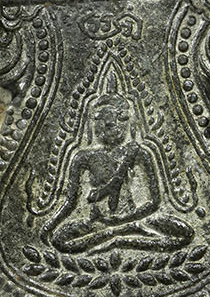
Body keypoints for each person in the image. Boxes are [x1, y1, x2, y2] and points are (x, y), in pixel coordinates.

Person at [39, 80, 194, 254]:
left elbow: (154, 202)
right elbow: (70, 202)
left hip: (133, 219)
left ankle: (118, 238)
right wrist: (50, 225)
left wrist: (126, 219)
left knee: (186, 233)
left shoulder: (138, 152)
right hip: (99, 222)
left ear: (127, 123)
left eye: (114, 123)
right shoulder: (83, 157)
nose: (108, 129)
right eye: (102, 124)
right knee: (59, 240)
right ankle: (117, 236)